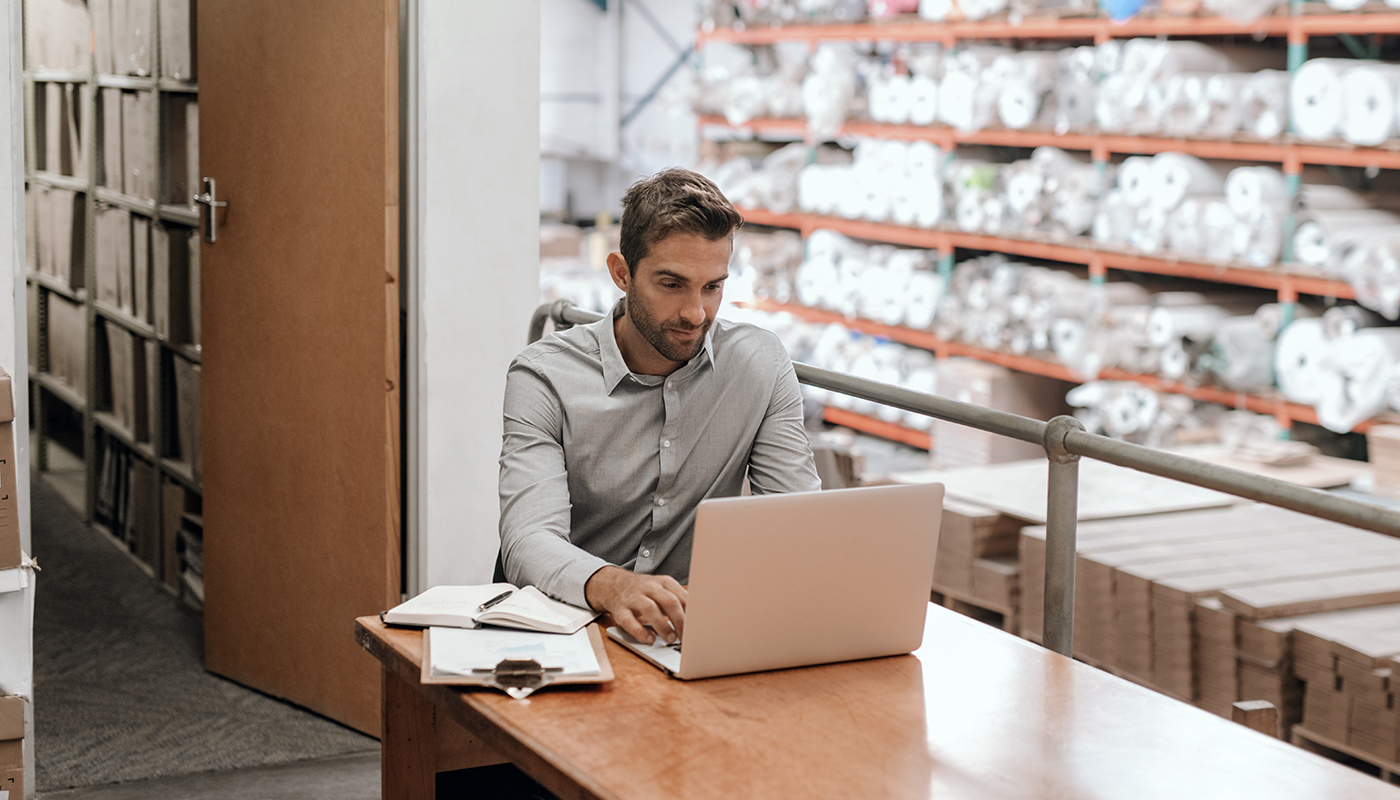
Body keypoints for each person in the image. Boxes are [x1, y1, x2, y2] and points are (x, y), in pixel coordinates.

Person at [498, 168, 821, 647]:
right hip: (569, 629)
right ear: (621, 273)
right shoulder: (544, 376)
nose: (696, 314)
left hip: (687, 634)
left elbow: (798, 522)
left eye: (712, 286)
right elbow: (527, 541)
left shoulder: (759, 363)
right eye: (672, 284)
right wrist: (614, 585)